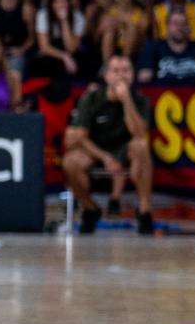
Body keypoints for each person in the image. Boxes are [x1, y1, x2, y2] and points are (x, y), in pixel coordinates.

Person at [62, 55, 154, 234]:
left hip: (126, 150)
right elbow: (78, 137)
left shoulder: (140, 99)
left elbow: (139, 133)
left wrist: (127, 101)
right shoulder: (92, 98)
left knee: (141, 146)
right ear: (106, 76)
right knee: (70, 161)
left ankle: (144, 211)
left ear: (133, 75)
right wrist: (105, 158)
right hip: (96, 150)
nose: (121, 76)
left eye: (126, 71)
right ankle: (90, 208)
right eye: (116, 71)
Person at [137, 9, 195, 83]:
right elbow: (143, 78)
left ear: (189, 27)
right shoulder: (152, 47)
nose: (179, 27)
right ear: (167, 27)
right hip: (160, 93)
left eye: (183, 24)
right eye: (175, 24)